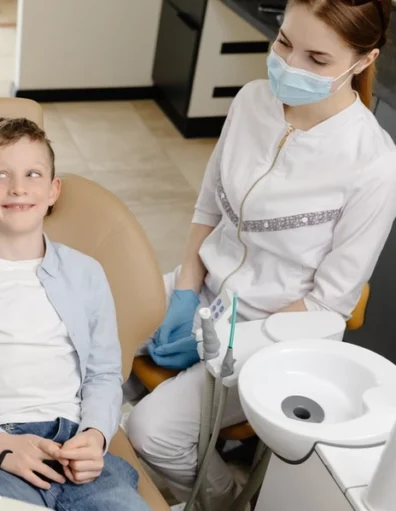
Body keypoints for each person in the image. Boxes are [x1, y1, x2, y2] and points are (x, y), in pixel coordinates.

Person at [126, 0, 395, 508]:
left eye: (317, 59)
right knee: (92, 327)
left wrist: (225, 343)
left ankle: (226, 499)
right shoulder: (252, 100)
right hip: (202, 288)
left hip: (273, 331)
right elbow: (208, 207)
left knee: (151, 431)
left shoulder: (375, 165)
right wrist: (185, 291)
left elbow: (329, 305)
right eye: (285, 43)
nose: (290, 67)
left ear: (362, 60)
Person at [0, 118, 150, 511]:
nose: (18, 187)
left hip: (72, 445)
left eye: (33, 174)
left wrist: (96, 436)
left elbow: (103, 374)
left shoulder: (86, 273)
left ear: (53, 190)